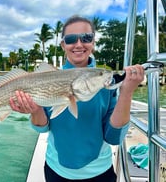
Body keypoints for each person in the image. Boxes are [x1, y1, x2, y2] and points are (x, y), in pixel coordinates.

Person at [9, 15, 144, 182]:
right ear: (63, 44)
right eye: (71, 39)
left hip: (100, 172)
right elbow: (42, 129)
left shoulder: (105, 85)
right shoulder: (47, 77)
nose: (79, 44)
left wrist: (127, 93)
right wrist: (35, 109)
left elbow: (113, 137)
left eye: (86, 38)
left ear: (93, 42)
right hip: (56, 170)